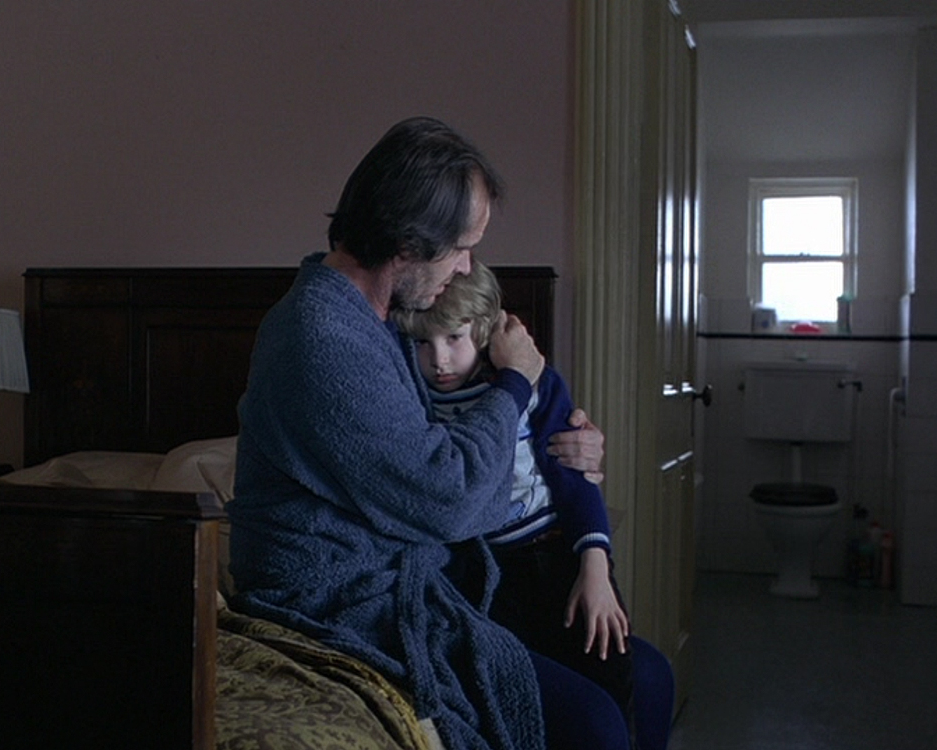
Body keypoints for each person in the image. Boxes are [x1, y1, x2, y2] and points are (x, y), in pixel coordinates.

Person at [228, 116, 622, 750]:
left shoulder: (376, 320)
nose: (466, 267)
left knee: (630, 679)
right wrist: (514, 386)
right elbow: (449, 496)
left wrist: (565, 448)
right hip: (338, 600)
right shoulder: (322, 338)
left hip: (417, 580)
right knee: (593, 725)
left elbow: (442, 446)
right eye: (461, 247)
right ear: (408, 242)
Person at [392, 262, 675, 750]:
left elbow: (574, 479)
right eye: (422, 343)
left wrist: (595, 567)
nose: (439, 360)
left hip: (556, 553)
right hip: (486, 569)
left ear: (484, 331)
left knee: (616, 666)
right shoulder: (412, 397)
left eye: (454, 338)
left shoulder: (533, 384)